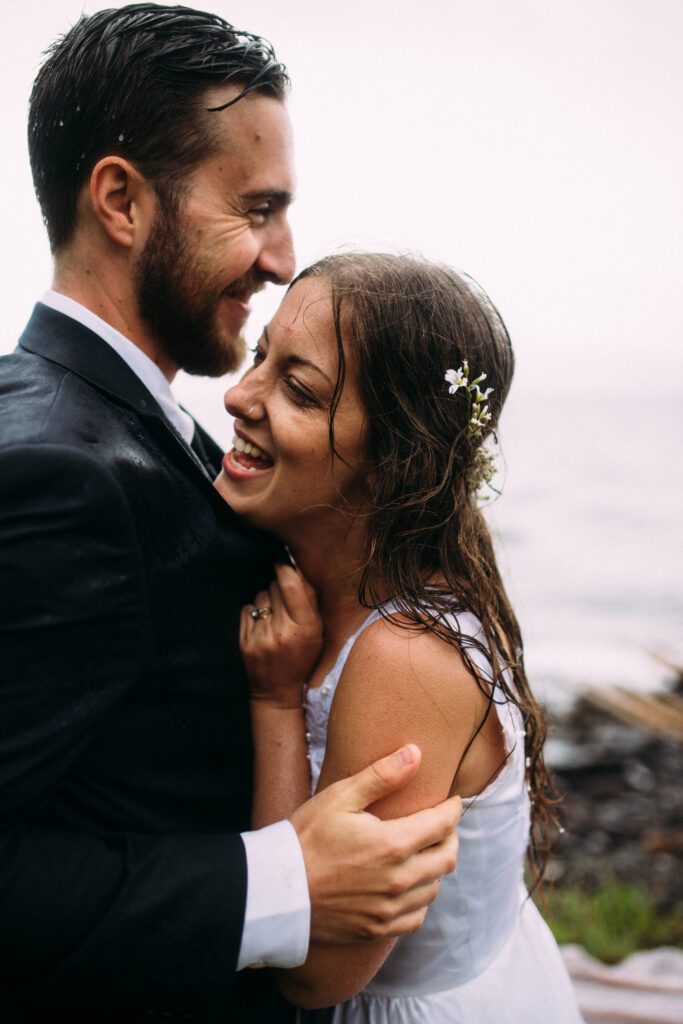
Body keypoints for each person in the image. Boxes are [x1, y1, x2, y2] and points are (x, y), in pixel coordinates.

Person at [0, 8, 462, 1021]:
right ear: (120, 199)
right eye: (255, 208)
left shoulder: (106, 419)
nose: (279, 256)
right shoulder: (57, 474)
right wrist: (279, 883)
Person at [215, 252, 585, 1022]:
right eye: (261, 356)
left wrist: (276, 699)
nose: (237, 395)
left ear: (391, 463)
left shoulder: (407, 655)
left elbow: (314, 967)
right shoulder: (326, 583)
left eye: (298, 388)